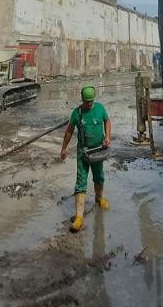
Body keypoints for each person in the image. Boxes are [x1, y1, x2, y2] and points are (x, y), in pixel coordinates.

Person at [60, 84, 111, 232]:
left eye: (91, 101)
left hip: (98, 151)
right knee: (81, 181)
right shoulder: (77, 113)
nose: (89, 104)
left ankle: (99, 198)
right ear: (82, 99)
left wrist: (107, 136)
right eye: (86, 101)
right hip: (83, 153)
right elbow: (69, 131)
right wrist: (63, 149)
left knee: (99, 176)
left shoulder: (100, 108)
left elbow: (107, 121)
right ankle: (79, 217)